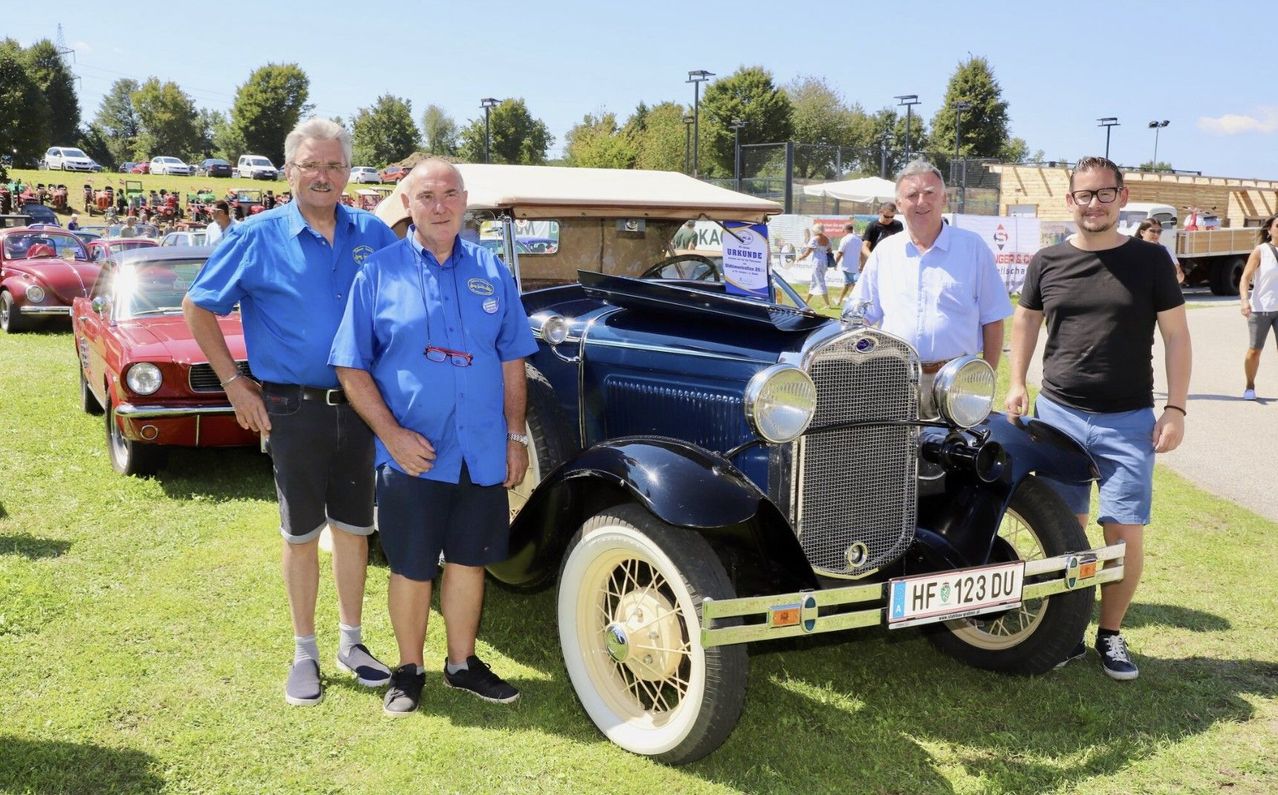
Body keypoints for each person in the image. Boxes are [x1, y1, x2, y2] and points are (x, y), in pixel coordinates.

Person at [183, 117, 399, 707]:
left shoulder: (375, 234)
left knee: (355, 530)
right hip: (290, 409)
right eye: (311, 165)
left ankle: (351, 644)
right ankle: (304, 651)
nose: (323, 176)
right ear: (289, 171)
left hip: (361, 408)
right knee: (301, 532)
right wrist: (235, 384)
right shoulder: (255, 237)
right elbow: (198, 307)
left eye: (333, 165)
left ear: (348, 172)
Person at [329, 158, 536, 716]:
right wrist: (390, 434)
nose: (439, 205)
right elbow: (350, 365)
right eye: (426, 196)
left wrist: (515, 437)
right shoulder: (378, 273)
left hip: (482, 451)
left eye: (449, 194)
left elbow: (514, 358)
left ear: (464, 200)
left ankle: (462, 664)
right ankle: (410, 668)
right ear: (409, 204)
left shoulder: (492, 271)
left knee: (470, 560)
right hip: (412, 455)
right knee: (412, 565)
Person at [1005, 156, 1191, 681]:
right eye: (1084, 195)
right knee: (1066, 531)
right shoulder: (1047, 261)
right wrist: (1018, 383)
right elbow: (1025, 324)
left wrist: (1175, 407)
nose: (1094, 204)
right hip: (1058, 415)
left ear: (1122, 197)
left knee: (1122, 532)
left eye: (1104, 194)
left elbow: (1177, 337)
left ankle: (1110, 635)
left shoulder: (1151, 261)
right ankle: (1065, 634)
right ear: (1070, 201)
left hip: (1128, 419)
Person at [849, 159, 1012, 416]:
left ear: (944, 199)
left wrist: (985, 380)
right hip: (894, 380)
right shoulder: (886, 252)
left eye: (929, 193)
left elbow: (993, 319)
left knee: (955, 453)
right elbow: (861, 317)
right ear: (899, 204)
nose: (921, 201)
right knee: (893, 454)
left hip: (957, 382)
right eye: (912, 195)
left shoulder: (972, 248)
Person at [1239, 213, 1278, 400]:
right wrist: (1245, 300)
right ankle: (1250, 385)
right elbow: (1245, 278)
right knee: (1255, 350)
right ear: (1270, 229)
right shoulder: (1261, 251)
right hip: (1261, 308)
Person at [1133, 218, 1183, 284]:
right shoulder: (1133, 250)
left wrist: (1177, 270)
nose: (1156, 234)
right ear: (1142, 232)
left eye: (1159, 231)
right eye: (1152, 231)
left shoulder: (1166, 250)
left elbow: (1180, 278)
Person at [797, 224, 833, 309]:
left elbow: (807, 252)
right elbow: (829, 250)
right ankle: (806, 302)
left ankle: (827, 304)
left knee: (820, 282)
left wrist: (800, 258)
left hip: (817, 262)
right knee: (815, 281)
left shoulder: (814, 239)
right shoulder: (827, 239)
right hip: (824, 261)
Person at [835, 222, 864, 304]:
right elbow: (862, 254)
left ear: (846, 229)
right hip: (855, 266)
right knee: (848, 284)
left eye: (843, 229)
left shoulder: (845, 239)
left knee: (851, 285)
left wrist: (835, 263)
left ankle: (855, 301)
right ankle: (840, 300)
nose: (842, 230)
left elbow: (840, 252)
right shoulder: (859, 240)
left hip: (847, 266)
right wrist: (861, 264)